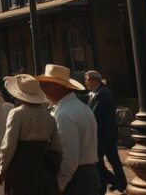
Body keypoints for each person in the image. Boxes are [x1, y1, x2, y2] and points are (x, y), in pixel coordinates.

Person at [38, 64, 100, 195]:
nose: (43, 90)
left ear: (58, 87)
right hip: (87, 175)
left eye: (45, 85)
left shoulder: (64, 113)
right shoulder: (82, 107)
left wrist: (59, 185)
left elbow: (69, 158)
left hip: (75, 180)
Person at [0, 74, 63, 195]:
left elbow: (9, 145)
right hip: (45, 169)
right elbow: (57, 148)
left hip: (21, 168)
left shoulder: (16, 114)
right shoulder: (49, 117)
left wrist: (3, 169)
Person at [85, 71, 126, 195]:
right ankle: (118, 183)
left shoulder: (103, 94)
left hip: (104, 135)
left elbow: (95, 114)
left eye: (86, 79)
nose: (85, 82)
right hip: (104, 134)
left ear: (94, 80)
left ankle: (109, 183)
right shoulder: (96, 93)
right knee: (110, 160)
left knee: (101, 161)